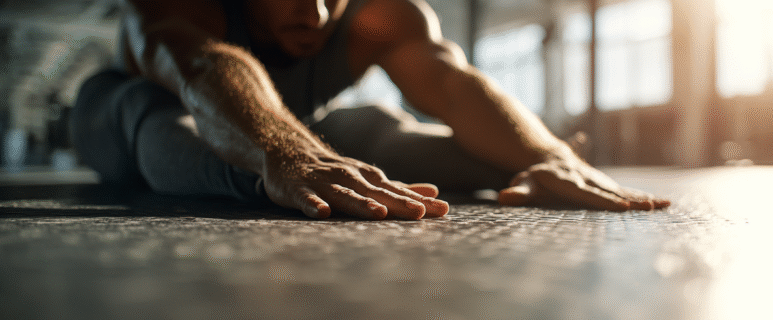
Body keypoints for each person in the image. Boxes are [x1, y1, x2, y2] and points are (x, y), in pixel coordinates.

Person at [69, 0, 671, 220]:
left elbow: (453, 85)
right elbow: (205, 68)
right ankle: (275, 175)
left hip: (287, 124)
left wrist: (547, 155)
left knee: (375, 129)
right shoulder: (177, 5)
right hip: (130, 123)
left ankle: (519, 173)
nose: (315, 13)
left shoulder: (378, 13)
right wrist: (287, 154)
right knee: (159, 119)